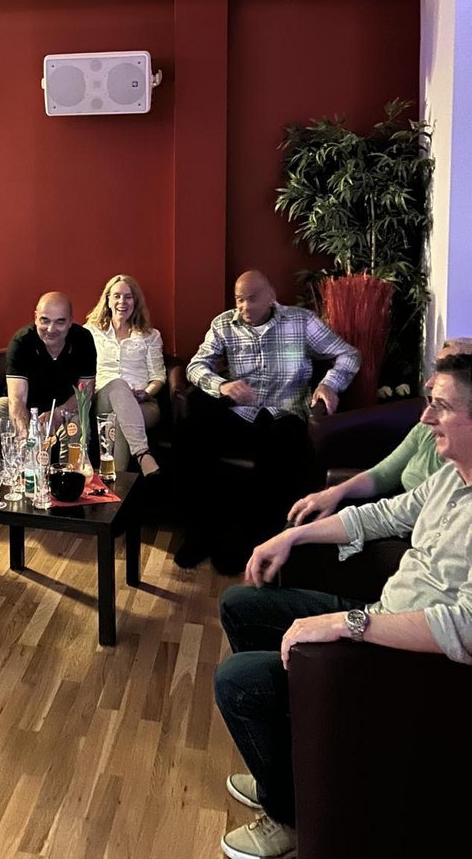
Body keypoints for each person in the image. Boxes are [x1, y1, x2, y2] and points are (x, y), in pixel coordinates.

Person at [212, 350, 472, 859]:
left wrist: (348, 624)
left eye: (440, 406)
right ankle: (292, 770)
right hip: (380, 616)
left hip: (416, 664)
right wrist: (290, 537)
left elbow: (465, 626)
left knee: (238, 682)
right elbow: (381, 515)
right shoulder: (451, 475)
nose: (425, 417)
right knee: (241, 604)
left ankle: (291, 816)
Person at [177, 269, 360, 573]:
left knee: (280, 453)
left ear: (271, 296)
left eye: (252, 299)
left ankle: (246, 543)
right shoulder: (224, 324)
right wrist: (222, 385)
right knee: (190, 435)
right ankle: (199, 534)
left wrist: (330, 384)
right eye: (239, 300)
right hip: (241, 412)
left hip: (285, 413)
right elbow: (196, 366)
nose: (245, 307)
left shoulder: (301, 321)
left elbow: (348, 354)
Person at [287, 335, 472, 525]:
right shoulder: (425, 430)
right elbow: (383, 474)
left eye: (445, 372)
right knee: (301, 520)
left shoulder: (459, 469)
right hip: (393, 517)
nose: (429, 383)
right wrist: (335, 493)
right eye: (435, 370)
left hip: (409, 528)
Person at [0, 291, 97, 451]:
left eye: (60, 321)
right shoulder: (22, 342)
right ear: (36, 317)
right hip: (24, 407)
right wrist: (24, 435)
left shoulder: (83, 339)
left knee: (77, 427)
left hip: (65, 408)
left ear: (70, 321)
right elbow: (17, 399)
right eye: (45, 320)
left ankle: (66, 468)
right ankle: (8, 466)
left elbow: (85, 392)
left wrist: (59, 413)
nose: (51, 329)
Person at [85, 273, 165, 477]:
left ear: (135, 301)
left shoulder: (151, 336)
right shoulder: (91, 332)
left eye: (128, 297)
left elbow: (158, 377)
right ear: (107, 300)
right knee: (119, 385)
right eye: (117, 296)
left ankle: (114, 485)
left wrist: (146, 393)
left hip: (143, 404)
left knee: (122, 418)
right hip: (103, 398)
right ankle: (142, 453)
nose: (122, 302)